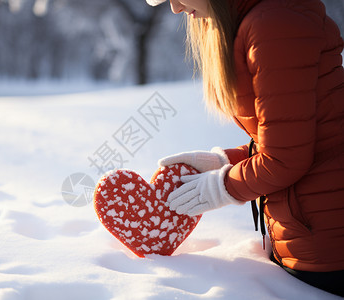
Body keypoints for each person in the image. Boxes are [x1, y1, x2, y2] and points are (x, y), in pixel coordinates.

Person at [146, 0, 344, 296]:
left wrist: (220, 187)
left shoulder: (274, 23)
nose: (174, 8)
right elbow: (302, 135)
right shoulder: (264, 18)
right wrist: (223, 160)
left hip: (327, 245)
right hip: (308, 234)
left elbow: (286, 159)